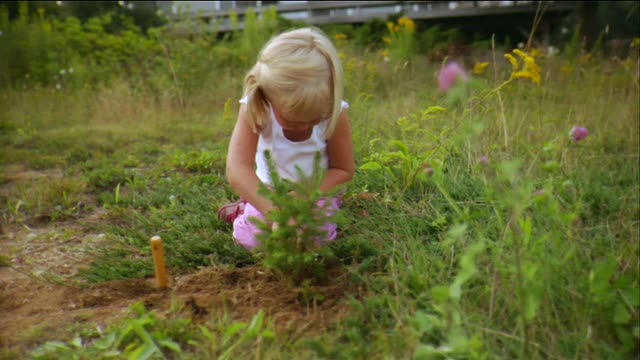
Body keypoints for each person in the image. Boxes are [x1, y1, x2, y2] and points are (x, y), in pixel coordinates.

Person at [218, 27, 355, 251]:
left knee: (314, 239)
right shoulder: (256, 108)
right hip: (267, 191)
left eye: (314, 119)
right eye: (291, 120)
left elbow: (343, 170)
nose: (303, 126)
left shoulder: (335, 112)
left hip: (314, 190)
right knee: (252, 239)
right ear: (267, 97)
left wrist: (302, 198)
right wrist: (277, 212)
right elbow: (237, 168)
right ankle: (244, 209)